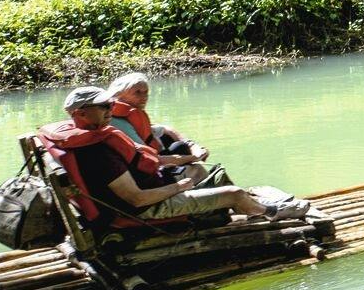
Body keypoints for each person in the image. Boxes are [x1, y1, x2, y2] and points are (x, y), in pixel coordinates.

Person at [41, 87, 309, 228]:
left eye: (110, 104)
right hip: (149, 207)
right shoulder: (97, 153)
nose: (111, 109)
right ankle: (268, 212)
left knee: (201, 171)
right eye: (103, 106)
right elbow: (137, 199)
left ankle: (245, 207)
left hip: (153, 187)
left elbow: (142, 162)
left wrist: (182, 166)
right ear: (81, 114)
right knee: (234, 191)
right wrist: (178, 187)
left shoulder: (90, 136)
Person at [106, 72, 214, 181]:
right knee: (180, 148)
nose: (144, 98)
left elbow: (167, 130)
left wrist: (193, 146)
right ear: (118, 95)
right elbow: (149, 158)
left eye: (146, 92)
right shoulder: (116, 122)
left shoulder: (131, 114)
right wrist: (194, 157)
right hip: (142, 170)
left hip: (154, 160)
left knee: (176, 143)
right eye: (137, 93)